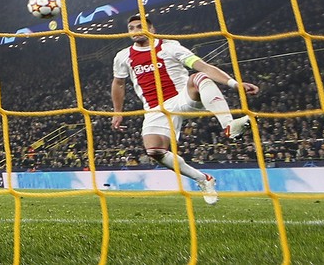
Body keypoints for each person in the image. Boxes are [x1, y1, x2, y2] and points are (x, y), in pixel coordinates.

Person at [110, 14, 260, 205]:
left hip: (181, 98)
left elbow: (203, 66)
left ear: (152, 29)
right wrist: (117, 112)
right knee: (154, 151)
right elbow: (119, 84)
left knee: (198, 77)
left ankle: (229, 125)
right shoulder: (123, 56)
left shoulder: (170, 47)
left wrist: (234, 83)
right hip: (154, 109)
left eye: (140, 26)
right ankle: (203, 179)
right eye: (131, 28)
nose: (135, 31)